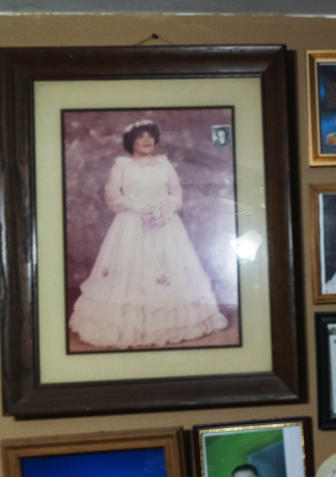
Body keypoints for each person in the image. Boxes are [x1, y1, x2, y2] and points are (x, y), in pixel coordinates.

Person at [68, 119, 228, 349]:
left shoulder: (164, 165)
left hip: (165, 224)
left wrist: (164, 209)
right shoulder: (121, 166)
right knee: (130, 273)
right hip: (131, 224)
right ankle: (132, 326)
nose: (146, 141)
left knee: (168, 270)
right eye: (141, 137)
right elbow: (113, 197)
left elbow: (176, 193)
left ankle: (172, 324)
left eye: (150, 137)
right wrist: (142, 208)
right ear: (131, 141)